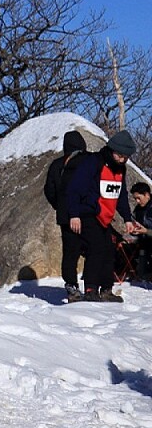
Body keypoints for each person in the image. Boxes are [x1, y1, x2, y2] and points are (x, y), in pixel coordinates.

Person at [64, 130, 138, 303]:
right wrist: (74, 214)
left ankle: (106, 289)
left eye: (125, 157)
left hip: (105, 217)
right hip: (88, 213)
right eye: (119, 155)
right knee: (96, 248)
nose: (122, 160)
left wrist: (127, 218)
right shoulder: (93, 163)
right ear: (112, 150)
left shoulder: (120, 169)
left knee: (109, 250)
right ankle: (91, 289)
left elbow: (120, 195)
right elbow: (74, 189)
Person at [43, 130, 89, 302]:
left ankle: (71, 285)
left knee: (70, 252)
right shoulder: (87, 161)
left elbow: (49, 190)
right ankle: (92, 285)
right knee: (92, 248)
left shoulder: (57, 165)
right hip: (87, 214)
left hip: (65, 215)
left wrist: (59, 206)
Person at [127, 182, 151, 279]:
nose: (137, 201)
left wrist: (147, 231)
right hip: (144, 244)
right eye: (135, 199)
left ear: (147, 195)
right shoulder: (138, 210)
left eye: (139, 198)